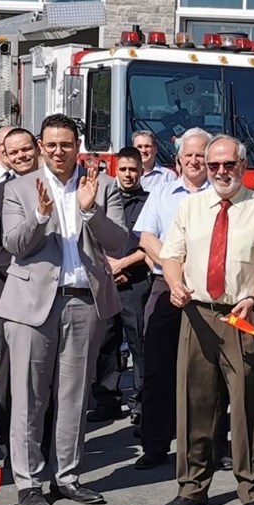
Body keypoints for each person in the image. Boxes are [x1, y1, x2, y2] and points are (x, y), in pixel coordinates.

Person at [0, 113, 132, 505]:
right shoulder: (19, 188)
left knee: (74, 395)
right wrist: (40, 217)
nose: (59, 152)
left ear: (78, 147)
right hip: (31, 304)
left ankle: (68, 476)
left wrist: (90, 211)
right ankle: (29, 482)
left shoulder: (104, 186)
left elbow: (119, 242)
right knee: (29, 396)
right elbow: (14, 245)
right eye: (52, 145)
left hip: (84, 301)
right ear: (41, 146)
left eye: (66, 144)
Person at [157, 135, 254, 505]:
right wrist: (174, 284)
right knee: (195, 402)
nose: (220, 171)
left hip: (243, 314)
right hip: (197, 313)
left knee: (250, 405)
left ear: (242, 166)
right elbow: (172, 255)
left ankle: (252, 490)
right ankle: (191, 487)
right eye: (213, 165)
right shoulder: (190, 207)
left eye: (228, 164)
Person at [131, 129, 212, 469]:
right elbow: (146, 237)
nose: (194, 161)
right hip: (166, 286)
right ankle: (155, 445)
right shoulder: (162, 193)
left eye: (200, 155)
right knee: (158, 367)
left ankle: (208, 446)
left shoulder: (220, 194)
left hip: (208, 291)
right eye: (187, 155)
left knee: (208, 371)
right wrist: (174, 267)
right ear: (177, 161)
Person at [0, 127, 40, 454]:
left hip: (55, 290)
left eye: (26, 149)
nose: (21, 156)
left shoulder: (58, 188)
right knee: (12, 367)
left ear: (37, 148)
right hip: (12, 290)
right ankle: (7, 439)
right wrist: (20, 272)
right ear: (4, 156)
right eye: (13, 152)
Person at [89, 146, 151, 424]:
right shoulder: (102, 201)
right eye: (123, 169)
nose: (128, 174)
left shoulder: (150, 202)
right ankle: (107, 400)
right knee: (105, 342)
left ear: (141, 171)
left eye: (133, 169)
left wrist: (123, 265)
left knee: (139, 343)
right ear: (116, 170)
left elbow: (151, 242)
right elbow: (90, 238)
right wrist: (109, 267)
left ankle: (141, 402)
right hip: (105, 279)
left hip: (136, 281)